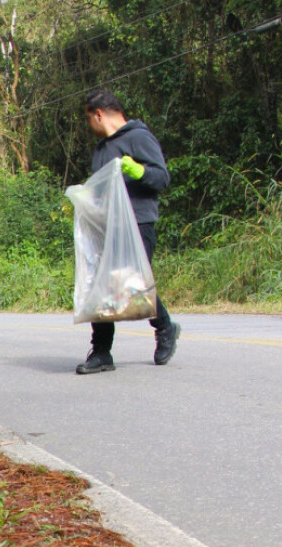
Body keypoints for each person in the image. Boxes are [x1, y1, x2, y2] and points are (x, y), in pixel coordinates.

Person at [77, 89, 180, 375]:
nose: (90, 126)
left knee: (132, 282)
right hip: (108, 227)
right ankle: (101, 352)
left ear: (98, 114)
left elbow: (162, 177)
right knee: (101, 285)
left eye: (89, 119)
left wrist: (139, 172)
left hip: (138, 223)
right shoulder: (100, 150)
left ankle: (165, 327)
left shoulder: (138, 137)